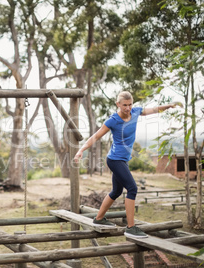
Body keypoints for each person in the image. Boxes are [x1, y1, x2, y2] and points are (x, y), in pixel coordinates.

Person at [74, 91, 181, 238]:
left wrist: (168, 106)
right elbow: (96, 136)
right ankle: (131, 227)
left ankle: (99, 219)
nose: (128, 108)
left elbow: (154, 110)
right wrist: (81, 150)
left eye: (130, 104)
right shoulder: (113, 120)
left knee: (116, 191)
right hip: (115, 160)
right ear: (118, 104)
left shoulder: (136, 112)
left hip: (123, 160)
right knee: (132, 188)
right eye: (124, 105)